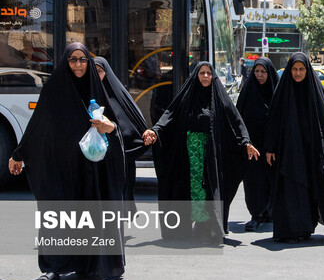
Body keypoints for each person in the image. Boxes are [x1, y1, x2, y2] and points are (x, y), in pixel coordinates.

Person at [8, 43, 126, 280]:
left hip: (90, 167)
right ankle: (52, 268)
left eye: (83, 59)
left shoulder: (96, 87)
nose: (78, 65)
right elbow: (37, 126)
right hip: (59, 166)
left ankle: (87, 264)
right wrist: (18, 154)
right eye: (73, 60)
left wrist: (108, 127)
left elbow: (115, 127)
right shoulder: (54, 90)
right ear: (65, 62)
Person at [142, 62, 259, 243]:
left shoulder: (219, 97)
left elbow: (236, 120)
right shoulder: (187, 97)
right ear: (196, 75)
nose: (205, 76)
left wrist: (246, 142)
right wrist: (155, 131)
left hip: (213, 153)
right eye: (202, 73)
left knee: (211, 189)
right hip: (191, 153)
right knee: (196, 189)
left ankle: (209, 226)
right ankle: (197, 224)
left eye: (208, 73)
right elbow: (169, 115)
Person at [264, 53, 324, 243]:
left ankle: (307, 227)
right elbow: (273, 121)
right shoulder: (283, 90)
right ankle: (291, 230)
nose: (298, 73)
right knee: (291, 189)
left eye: (301, 69)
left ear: (307, 70)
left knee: (311, 187)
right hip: (288, 151)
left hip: (311, 149)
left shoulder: (314, 89)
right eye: (294, 69)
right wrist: (270, 148)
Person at [94, 57, 147, 212]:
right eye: (93, 71)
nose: (97, 75)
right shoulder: (87, 93)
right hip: (95, 155)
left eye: (100, 71)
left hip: (118, 155)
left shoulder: (117, 94)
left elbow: (131, 125)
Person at [235, 57, 280, 231]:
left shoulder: (277, 93)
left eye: (263, 72)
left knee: (271, 180)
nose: (259, 75)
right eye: (257, 71)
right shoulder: (249, 92)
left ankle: (269, 211)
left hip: (272, 147)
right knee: (254, 181)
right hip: (252, 146)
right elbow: (238, 118)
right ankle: (256, 214)